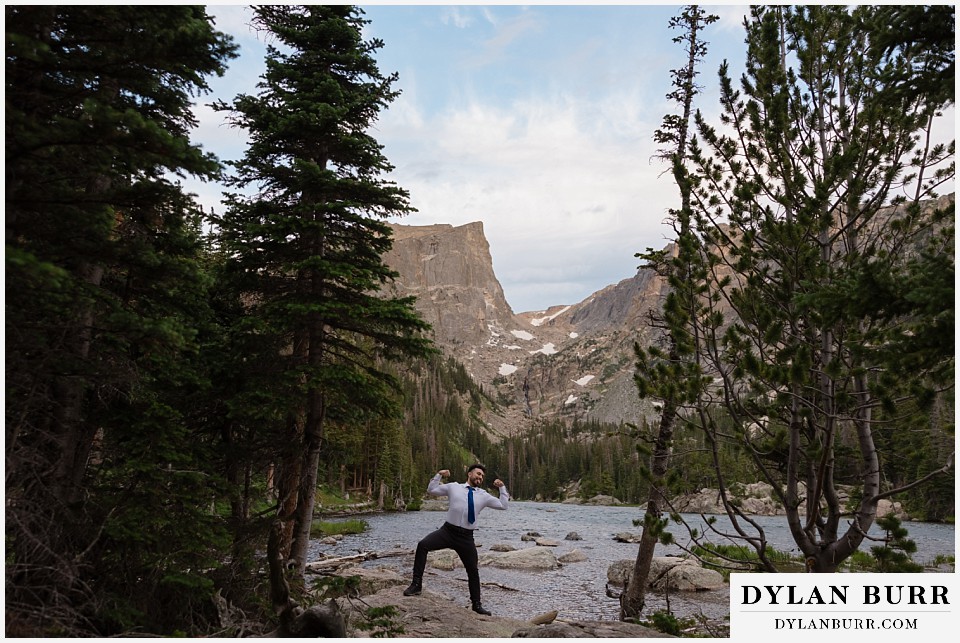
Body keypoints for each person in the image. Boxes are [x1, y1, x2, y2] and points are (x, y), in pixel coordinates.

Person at [403, 464, 509, 615]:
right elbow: (432, 490)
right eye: (478, 474)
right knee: (423, 545)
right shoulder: (454, 487)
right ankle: (416, 585)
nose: (480, 477)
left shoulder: (483, 495)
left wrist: (502, 488)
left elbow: (503, 505)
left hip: (466, 538)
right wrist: (438, 475)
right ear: (469, 474)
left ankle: (476, 605)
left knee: (473, 571)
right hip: (448, 531)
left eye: (482, 476)